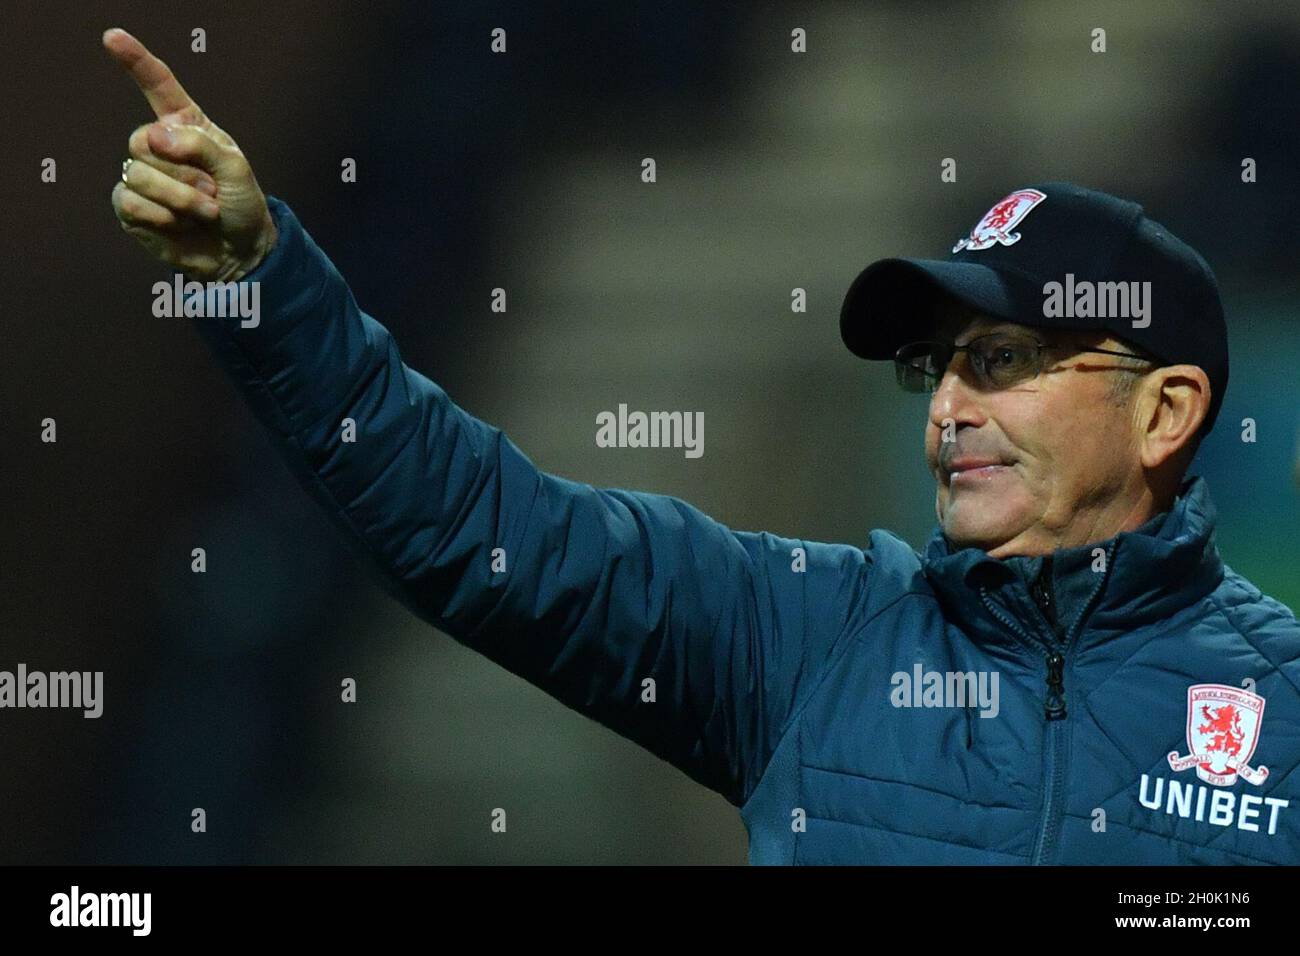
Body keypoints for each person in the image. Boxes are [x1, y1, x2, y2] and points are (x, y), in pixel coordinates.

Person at [104, 28, 1300, 864]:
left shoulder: (1281, 704)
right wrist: (263, 285)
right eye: (932, 366)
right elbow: (472, 524)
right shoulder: (804, 632)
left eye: (996, 361)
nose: (943, 408)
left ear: (1164, 412)